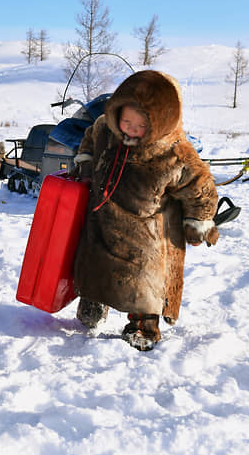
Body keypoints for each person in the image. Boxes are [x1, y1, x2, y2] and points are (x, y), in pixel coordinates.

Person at [71, 70, 219, 351]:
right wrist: (87, 162)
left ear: (159, 121)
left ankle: (143, 326)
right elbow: (90, 138)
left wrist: (199, 222)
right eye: (126, 121)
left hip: (147, 233)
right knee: (95, 264)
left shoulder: (173, 152)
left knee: (143, 282)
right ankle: (94, 302)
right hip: (103, 217)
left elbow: (200, 186)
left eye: (141, 126)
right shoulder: (106, 128)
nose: (131, 129)